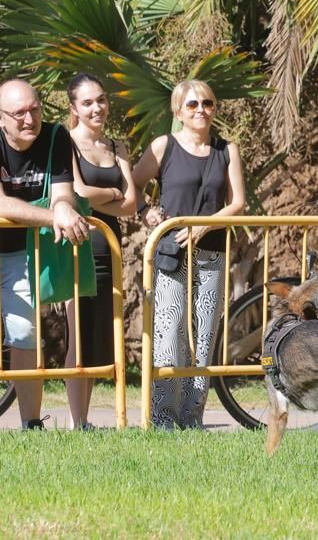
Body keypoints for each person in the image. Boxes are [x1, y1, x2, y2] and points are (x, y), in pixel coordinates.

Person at [132, 80, 245, 429]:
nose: (201, 110)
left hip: (211, 253)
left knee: (205, 334)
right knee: (170, 332)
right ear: (178, 111)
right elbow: (133, 185)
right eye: (193, 104)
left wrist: (204, 227)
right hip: (172, 255)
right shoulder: (164, 146)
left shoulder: (227, 150)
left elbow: (238, 203)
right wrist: (145, 212)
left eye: (207, 103)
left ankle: (192, 415)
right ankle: (164, 416)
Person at [0, 79, 91, 430]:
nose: (28, 118)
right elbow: (3, 204)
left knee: (24, 332)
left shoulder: (55, 136)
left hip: (19, 254)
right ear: (2, 118)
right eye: (18, 112)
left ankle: (31, 424)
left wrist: (65, 207)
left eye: (34, 109)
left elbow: (62, 193)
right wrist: (56, 216)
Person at [63, 74, 137, 430]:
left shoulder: (117, 146)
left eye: (102, 100)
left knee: (100, 333)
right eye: (88, 102)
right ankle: (79, 420)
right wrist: (111, 195)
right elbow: (77, 193)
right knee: (79, 332)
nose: (97, 107)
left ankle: (89, 419)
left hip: (111, 245)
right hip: (79, 245)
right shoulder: (66, 144)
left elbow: (133, 202)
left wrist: (103, 197)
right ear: (74, 108)